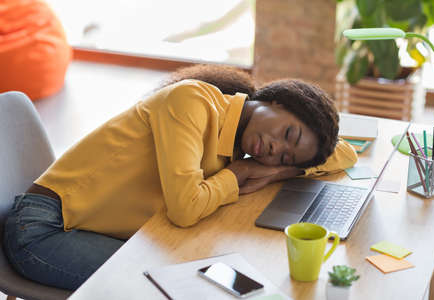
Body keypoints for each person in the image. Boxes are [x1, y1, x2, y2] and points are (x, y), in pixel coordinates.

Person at [3, 65, 357, 290]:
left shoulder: (237, 141)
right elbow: (185, 209)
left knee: (206, 274)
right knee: (182, 285)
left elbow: (345, 154)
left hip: (101, 230)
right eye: (288, 135)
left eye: (285, 155)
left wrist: (281, 169)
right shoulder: (193, 102)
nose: (273, 149)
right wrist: (241, 173)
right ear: (278, 100)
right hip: (44, 230)